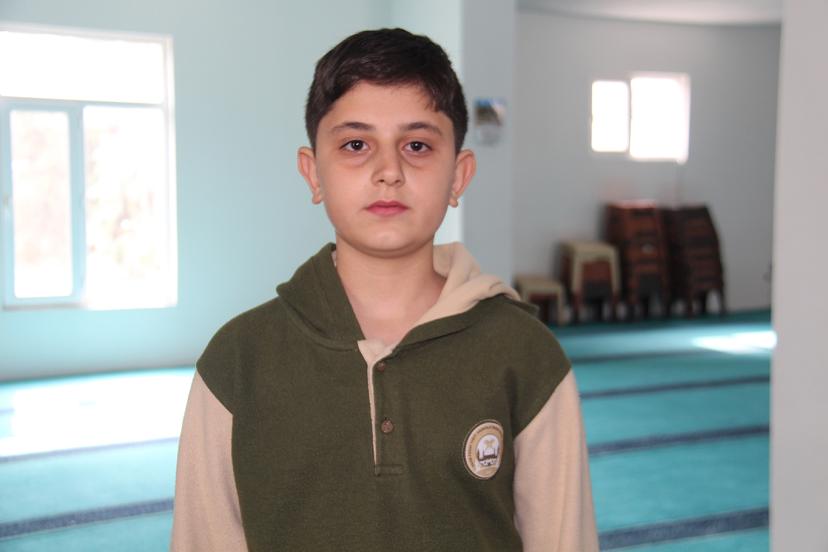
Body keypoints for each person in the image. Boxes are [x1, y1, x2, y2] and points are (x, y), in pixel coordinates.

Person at [171, 28, 598, 552]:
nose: (388, 171)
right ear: (313, 173)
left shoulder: (527, 356)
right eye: (356, 145)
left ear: (458, 176)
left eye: (417, 146)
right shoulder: (237, 362)